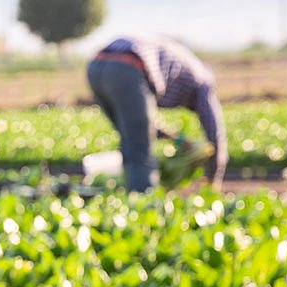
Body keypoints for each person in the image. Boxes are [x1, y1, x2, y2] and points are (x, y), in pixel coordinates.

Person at [86, 36, 227, 192]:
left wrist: (178, 139)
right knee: (140, 152)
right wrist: (212, 182)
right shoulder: (203, 82)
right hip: (128, 66)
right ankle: (143, 206)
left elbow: (141, 121)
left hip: (97, 66)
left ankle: (129, 195)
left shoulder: (182, 66)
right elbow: (215, 136)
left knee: (129, 141)